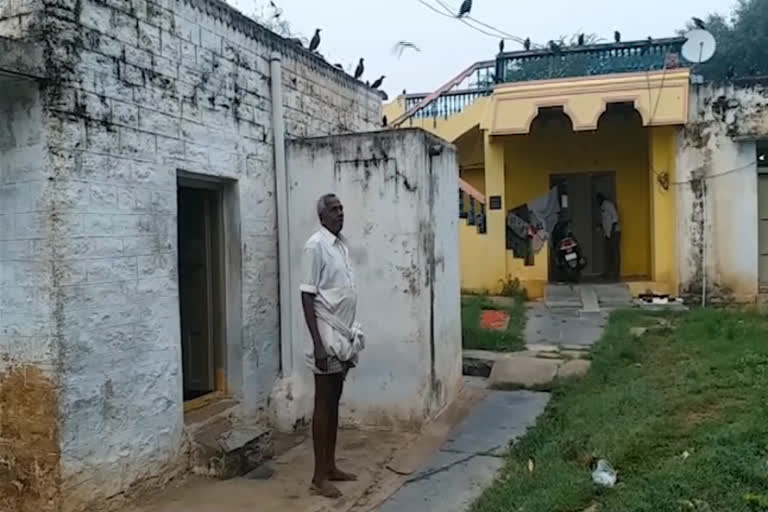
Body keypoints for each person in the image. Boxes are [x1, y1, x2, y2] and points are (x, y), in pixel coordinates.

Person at [300, 193, 365, 499]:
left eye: (341, 208)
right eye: (334, 210)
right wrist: (319, 345)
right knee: (323, 402)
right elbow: (307, 296)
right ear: (322, 216)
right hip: (326, 336)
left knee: (334, 398)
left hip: (342, 335)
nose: (340, 213)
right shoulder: (315, 246)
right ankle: (317, 477)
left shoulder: (340, 245)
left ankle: (330, 466)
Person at [597, 193, 621, 280]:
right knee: (608, 253)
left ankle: (615, 273)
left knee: (614, 252)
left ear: (601, 199)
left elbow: (615, 219)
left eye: (598, 200)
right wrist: (600, 226)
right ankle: (608, 272)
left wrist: (612, 232)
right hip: (607, 233)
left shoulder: (608, 205)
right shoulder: (602, 207)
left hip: (614, 232)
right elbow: (606, 220)